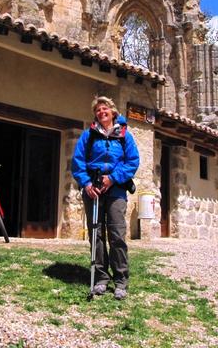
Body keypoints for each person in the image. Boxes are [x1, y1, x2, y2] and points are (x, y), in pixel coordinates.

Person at [72, 96, 140, 301]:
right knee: (96, 234)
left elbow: (132, 161)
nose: (101, 112)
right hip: (93, 188)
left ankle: (121, 280)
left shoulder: (124, 135)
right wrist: (87, 183)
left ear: (112, 112)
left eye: (105, 109)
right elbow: (78, 161)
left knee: (117, 234)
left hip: (116, 189)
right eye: (98, 110)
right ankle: (101, 278)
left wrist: (112, 178)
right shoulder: (89, 135)